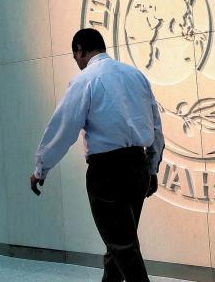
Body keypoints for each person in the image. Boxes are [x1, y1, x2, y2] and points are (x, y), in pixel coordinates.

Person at [29, 28, 165, 282]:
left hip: (107, 172)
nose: (78, 63)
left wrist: (40, 169)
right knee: (120, 243)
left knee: (122, 245)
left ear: (80, 50)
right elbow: (155, 125)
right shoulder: (136, 76)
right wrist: (153, 168)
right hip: (138, 166)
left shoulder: (86, 80)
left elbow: (62, 129)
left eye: (76, 56)